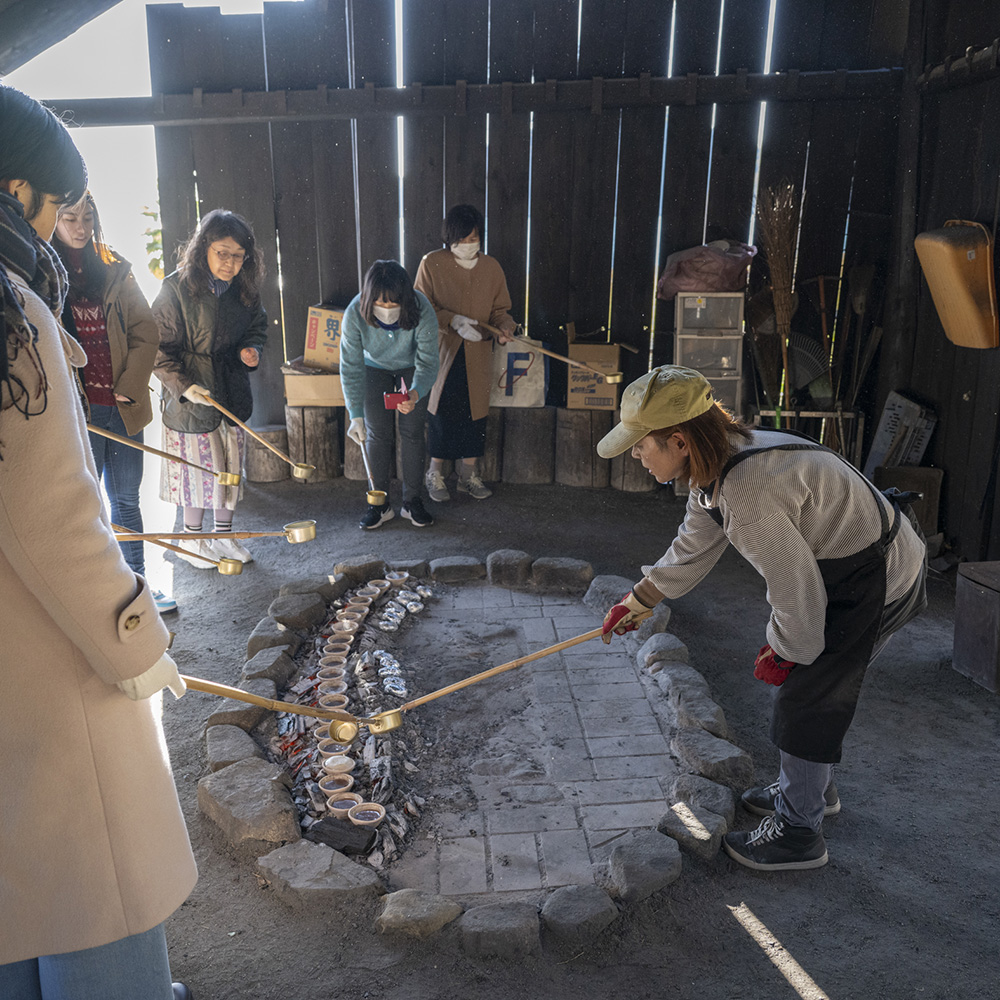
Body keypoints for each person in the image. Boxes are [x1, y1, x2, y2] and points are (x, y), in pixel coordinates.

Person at [0, 84, 196, 1000]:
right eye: (53, 202)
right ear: (15, 188)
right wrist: (135, 640)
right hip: (42, 654)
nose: (54, 226)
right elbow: (52, 516)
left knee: (15, 878)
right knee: (95, 870)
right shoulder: (10, 317)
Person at [597, 365, 927, 871]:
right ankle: (811, 793)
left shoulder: (747, 493)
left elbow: (795, 592)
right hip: (848, 563)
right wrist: (638, 600)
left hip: (875, 574)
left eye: (641, 444)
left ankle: (799, 834)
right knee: (807, 683)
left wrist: (785, 649)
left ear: (680, 441)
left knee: (807, 688)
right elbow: (695, 544)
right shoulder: (719, 459)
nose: (635, 454)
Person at [51, 192, 177, 613]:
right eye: (69, 218)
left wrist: (130, 384)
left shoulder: (114, 267)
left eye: (87, 218)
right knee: (89, 506)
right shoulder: (43, 272)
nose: (80, 227)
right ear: (53, 219)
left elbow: (146, 331)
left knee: (126, 499)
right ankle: (102, 595)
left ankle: (139, 586)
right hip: (78, 414)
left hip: (123, 404)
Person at [152, 209, 267, 568]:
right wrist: (185, 387)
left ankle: (222, 537)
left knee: (228, 467)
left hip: (230, 389)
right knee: (196, 471)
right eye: (222, 253)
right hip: (190, 397)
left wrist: (252, 349)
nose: (230, 263)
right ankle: (192, 541)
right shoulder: (176, 288)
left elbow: (257, 326)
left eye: (237, 256)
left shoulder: (244, 291)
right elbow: (156, 349)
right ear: (204, 247)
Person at [414, 203, 517, 503]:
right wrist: (452, 321)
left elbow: (501, 311)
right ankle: (435, 475)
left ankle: (468, 476)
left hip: (478, 355)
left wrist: (505, 328)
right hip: (443, 353)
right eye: (462, 240)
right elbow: (421, 306)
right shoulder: (432, 263)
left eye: (474, 239)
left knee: (475, 417)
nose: (469, 245)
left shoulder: (491, 268)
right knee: (441, 414)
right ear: (450, 239)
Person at [341, 259, 439, 529]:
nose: (386, 309)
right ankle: (379, 505)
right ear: (369, 299)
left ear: (405, 299)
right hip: (374, 368)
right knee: (377, 432)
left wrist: (416, 394)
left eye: (393, 303)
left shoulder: (422, 309)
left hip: (411, 369)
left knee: (412, 430)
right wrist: (355, 415)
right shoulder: (354, 313)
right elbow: (350, 367)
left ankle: (412, 501)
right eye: (379, 303)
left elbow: (429, 363)